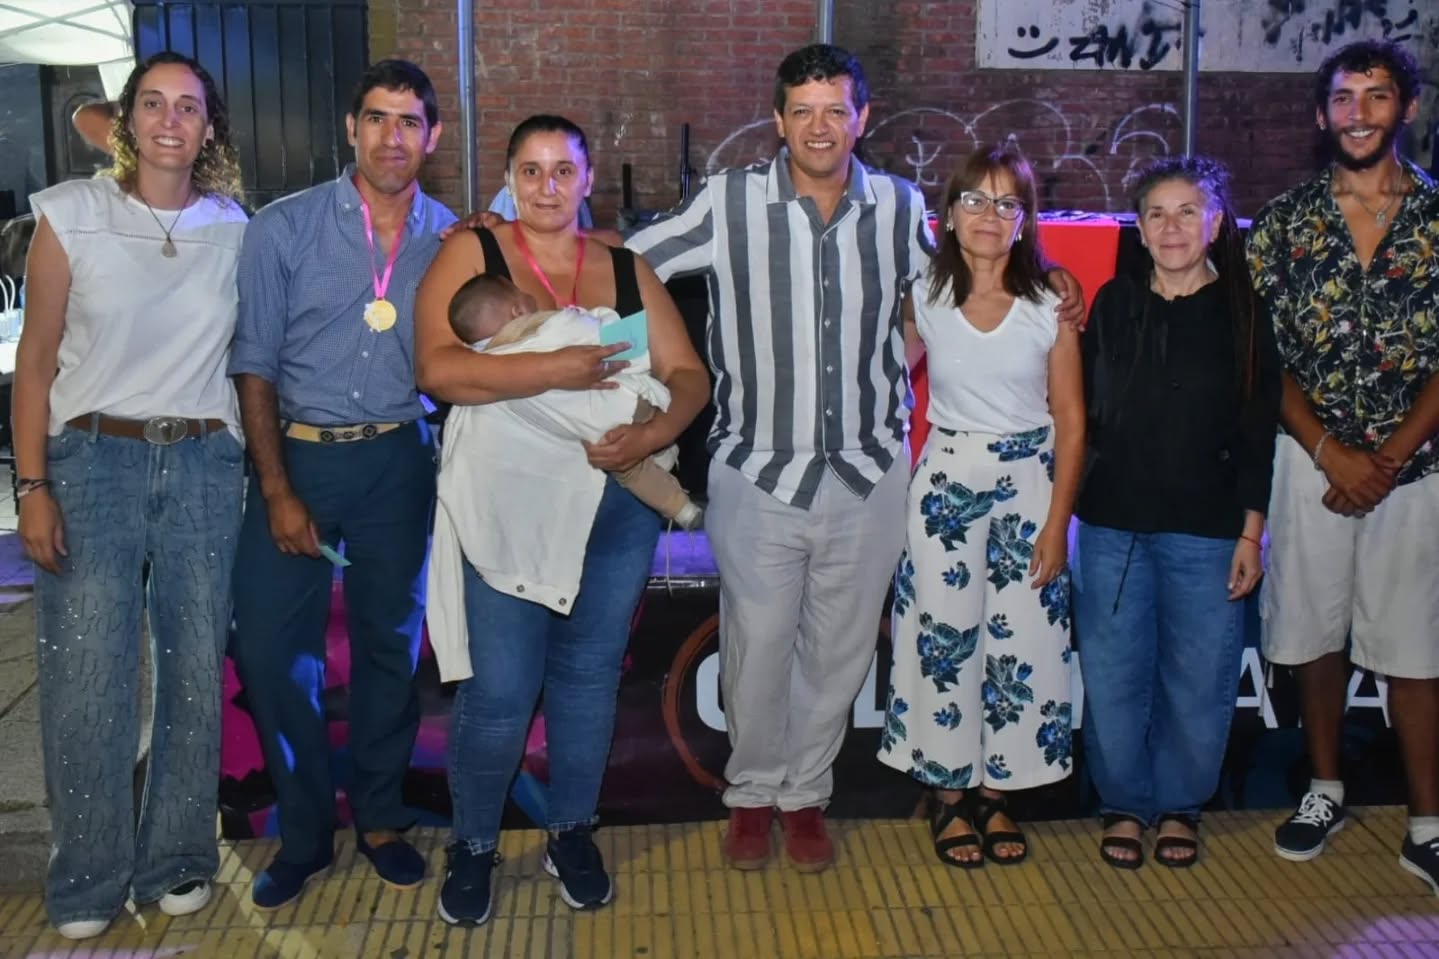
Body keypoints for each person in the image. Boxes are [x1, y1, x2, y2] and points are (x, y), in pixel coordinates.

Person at [625, 43, 1085, 873]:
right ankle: (750, 793)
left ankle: (804, 795)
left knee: (838, 655)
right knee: (755, 647)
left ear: (860, 118)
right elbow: (627, 267)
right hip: (757, 470)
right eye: (801, 111)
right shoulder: (729, 202)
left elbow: (956, 289)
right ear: (777, 120)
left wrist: (1056, 282)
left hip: (870, 473)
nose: (819, 126)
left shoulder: (900, 207)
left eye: (835, 110)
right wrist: (632, 379)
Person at [414, 113, 708, 925]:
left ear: (587, 179)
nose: (548, 187)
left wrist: (650, 434)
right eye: (532, 171)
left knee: (586, 679)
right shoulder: (472, 253)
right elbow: (436, 368)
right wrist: (558, 366)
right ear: (509, 178)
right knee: (501, 689)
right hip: (507, 509)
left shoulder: (624, 267)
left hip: (614, 508)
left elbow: (687, 373)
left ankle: (571, 830)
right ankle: (474, 843)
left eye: (564, 170)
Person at [15, 51, 248, 939]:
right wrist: (32, 484)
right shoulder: (72, 214)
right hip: (91, 459)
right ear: (126, 121)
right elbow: (36, 361)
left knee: (194, 670)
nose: (169, 120)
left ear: (208, 127)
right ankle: (85, 882)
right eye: (152, 103)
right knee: (87, 672)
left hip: (203, 462)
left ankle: (178, 858)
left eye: (187, 106)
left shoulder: (234, 228)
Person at [227, 58, 455, 910]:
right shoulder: (281, 228)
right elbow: (253, 363)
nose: (392, 136)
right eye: (377, 118)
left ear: (432, 136)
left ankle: (382, 818)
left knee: (388, 646)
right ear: (350, 128)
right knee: (271, 653)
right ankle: (304, 831)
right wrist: (277, 488)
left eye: (409, 121)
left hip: (400, 457)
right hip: (301, 458)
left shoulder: (452, 238)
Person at [1247, 39, 1439, 893]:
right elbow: (1260, 354)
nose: (1357, 114)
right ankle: (1322, 789)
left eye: (1376, 95)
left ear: (1407, 107)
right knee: (1312, 632)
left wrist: (1385, 460)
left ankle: (1427, 824)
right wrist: (1331, 452)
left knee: (1414, 644)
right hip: (1306, 463)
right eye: (1341, 98)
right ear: (1320, 114)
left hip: (1415, 468)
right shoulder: (1283, 222)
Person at [877, 146, 1084, 867]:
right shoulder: (923, 295)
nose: (989, 216)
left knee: (1024, 643)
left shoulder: (1050, 304)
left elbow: (1071, 420)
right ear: (948, 213)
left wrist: (1057, 523)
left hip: (1031, 486)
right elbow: (883, 378)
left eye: (1006, 203)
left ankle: (998, 793)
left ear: (1025, 218)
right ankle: (947, 792)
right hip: (945, 488)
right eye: (974, 199)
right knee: (942, 640)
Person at [1075, 155, 1280, 869]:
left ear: (1216, 223)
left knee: (1196, 679)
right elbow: (1079, 412)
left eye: (1187, 212)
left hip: (1208, 528)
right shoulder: (1112, 304)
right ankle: (1123, 805)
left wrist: (1251, 530)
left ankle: (1180, 806)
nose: (1171, 228)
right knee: (1112, 676)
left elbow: (1258, 431)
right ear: (1137, 227)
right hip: (1111, 524)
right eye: (1156, 214)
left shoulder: (1246, 315)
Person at [446, 272, 702, 528]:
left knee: (630, 472)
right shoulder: (547, 326)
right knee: (644, 424)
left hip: (589, 433)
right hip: (620, 403)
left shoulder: (485, 363)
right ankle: (661, 452)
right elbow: (595, 333)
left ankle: (681, 509)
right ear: (518, 310)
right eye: (523, 294)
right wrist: (597, 316)